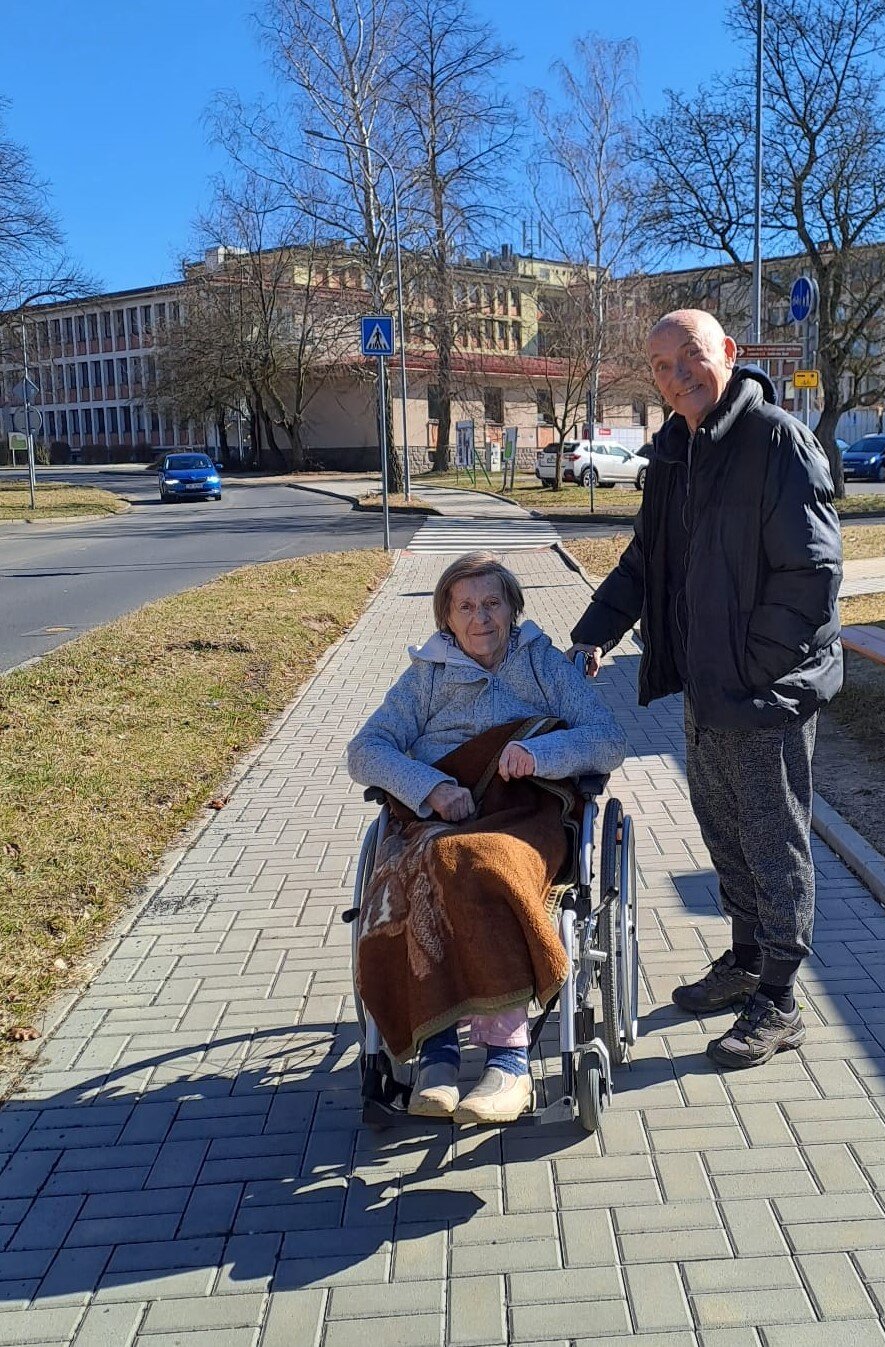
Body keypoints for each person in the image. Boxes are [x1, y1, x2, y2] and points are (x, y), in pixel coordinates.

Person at [569, 309, 842, 1069]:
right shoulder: (674, 453)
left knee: (773, 840)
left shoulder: (777, 440)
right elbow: (644, 561)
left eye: (689, 355)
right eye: (661, 366)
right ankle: (747, 959)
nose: (676, 375)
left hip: (763, 692)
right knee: (725, 829)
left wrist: (752, 668)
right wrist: (595, 632)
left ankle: (780, 998)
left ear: (727, 351)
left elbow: (812, 575)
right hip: (706, 685)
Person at [347, 552, 626, 1123]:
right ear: (446, 618)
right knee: (427, 867)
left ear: (512, 609)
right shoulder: (428, 675)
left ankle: (508, 1063)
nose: (481, 618)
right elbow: (365, 750)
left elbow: (608, 738)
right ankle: (438, 1057)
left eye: (492, 604)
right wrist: (430, 787)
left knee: (484, 863)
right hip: (442, 814)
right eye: (466, 607)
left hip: (524, 812)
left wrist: (539, 753)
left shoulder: (542, 663)